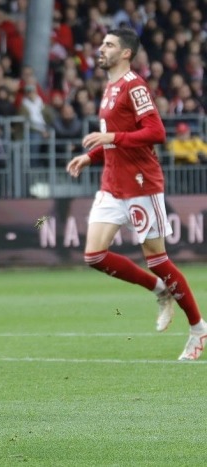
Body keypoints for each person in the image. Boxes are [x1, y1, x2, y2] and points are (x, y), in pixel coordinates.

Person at [65, 28, 207, 361]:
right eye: (101, 43)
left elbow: (156, 131)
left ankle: (198, 328)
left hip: (141, 184)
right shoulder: (110, 88)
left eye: (109, 45)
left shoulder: (135, 85)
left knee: (157, 258)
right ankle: (160, 291)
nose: (101, 49)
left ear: (126, 53)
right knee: (94, 255)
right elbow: (113, 138)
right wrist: (91, 156)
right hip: (112, 183)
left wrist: (110, 137)